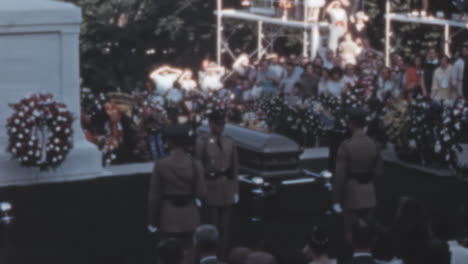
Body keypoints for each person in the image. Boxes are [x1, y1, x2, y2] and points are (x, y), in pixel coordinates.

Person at [147, 124, 206, 242]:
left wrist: (152, 220)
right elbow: (201, 193)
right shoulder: (195, 164)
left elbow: (154, 197)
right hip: (190, 214)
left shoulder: (161, 164)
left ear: (169, 142)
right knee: (189, 253)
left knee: (168, 254)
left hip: (168, 215)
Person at [332, 108, 383, 242]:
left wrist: (336, 199)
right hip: (369, 193)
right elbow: (379, 172)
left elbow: (340, 176)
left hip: (352, 194)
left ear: (351, 123)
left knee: (350, 233)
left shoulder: (346, 145)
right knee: (366, 234)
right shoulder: (374, 144)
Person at [196, 111, 239, 258]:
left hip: (226, 188)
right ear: (210, 124)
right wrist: (200, 191)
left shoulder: (229, 141)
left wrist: (235, 190)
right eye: (217, 124)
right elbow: (199, 168)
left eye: (222, 124)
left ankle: (223, 257)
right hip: (211, 187)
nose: (221, 127)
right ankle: (211, 258)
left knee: (225, 229)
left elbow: (234, 168)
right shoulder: (202, 141)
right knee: (212, 228)